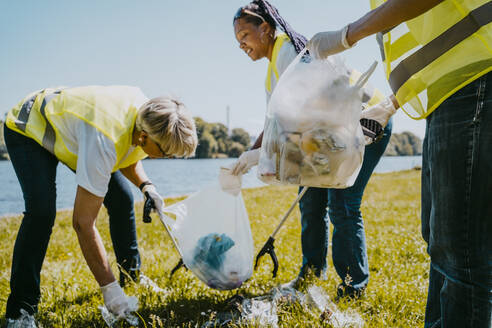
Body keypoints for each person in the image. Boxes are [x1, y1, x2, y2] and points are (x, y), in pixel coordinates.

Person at [307, 0, 492, 326]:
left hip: (475, 80)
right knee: (439, 241)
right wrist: (390, 105)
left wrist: (348, 34)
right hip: (448, 92)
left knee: (461, 250)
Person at [231, 0, 393, 298]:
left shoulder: (289, 52)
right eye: (237, 41)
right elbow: (275, 122)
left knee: (342, 205)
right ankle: (311, 273)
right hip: (327, 133)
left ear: (265, 28)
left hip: (364, 122)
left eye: (244, 36)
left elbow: (310, 113)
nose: (241, 45)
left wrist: (262, 156)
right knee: (310, 203)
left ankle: (353, 286)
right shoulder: (274, 65)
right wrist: (250, 154)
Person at [3, 86, 198, 326]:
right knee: (41, 213)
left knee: (122, 199)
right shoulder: (104, 139)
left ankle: (132, 278)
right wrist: (109, 290)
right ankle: (19, 312)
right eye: (166, 153)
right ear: (145, 137)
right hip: (29, 128)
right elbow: (83, 224)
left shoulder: (150, 117)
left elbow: (128, 152)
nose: (167, 158)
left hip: (76, 131)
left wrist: (147, 186)